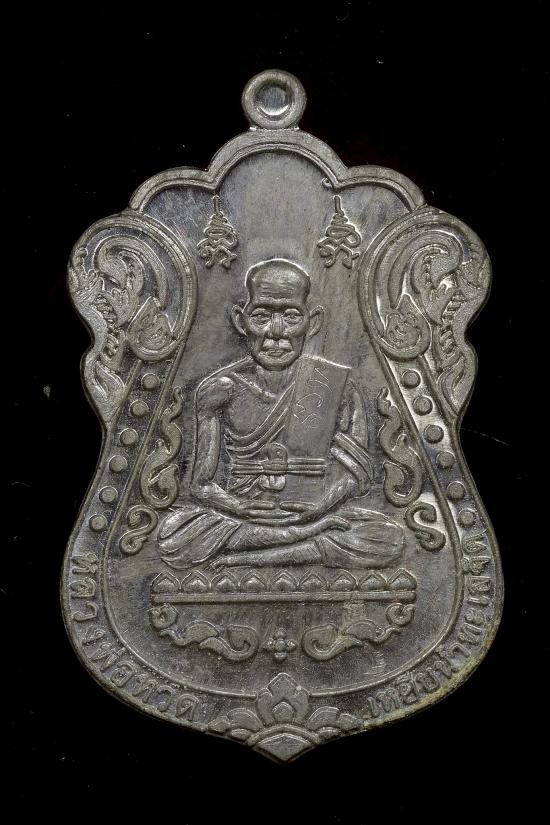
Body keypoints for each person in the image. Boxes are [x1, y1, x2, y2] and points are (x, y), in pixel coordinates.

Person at [158, 258, 404, 569]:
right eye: (262, 316)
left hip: (313, 511)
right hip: (244, 517)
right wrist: (239, 508)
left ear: (312, 322)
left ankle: (254, 556)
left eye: (290, 316)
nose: (276, 332)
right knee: (175, 536)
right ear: (241, 321)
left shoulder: (336, 386)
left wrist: (320, 509)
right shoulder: (220, 389)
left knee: (386, 536)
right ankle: (300, 542)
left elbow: (355, 477)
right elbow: (201, 485)